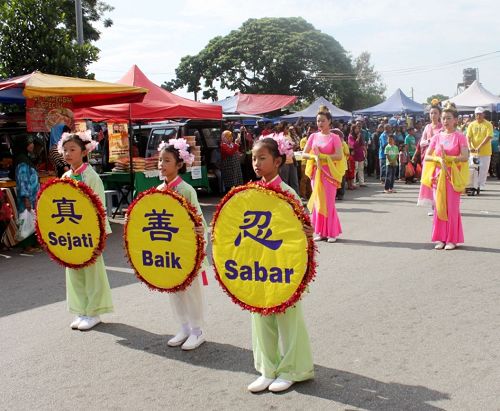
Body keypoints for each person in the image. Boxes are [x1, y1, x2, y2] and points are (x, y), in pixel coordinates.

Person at [247, 136, 314, 393]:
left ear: (278, 161)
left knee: (287, 317)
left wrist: (306, 232)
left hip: (283, 267)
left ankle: (293, 369)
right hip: (258, 266)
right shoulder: (250, 192)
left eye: (262, 158)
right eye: (254, 158)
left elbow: (303, 228)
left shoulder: (288, 193)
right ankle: (267, 368)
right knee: (261, 315)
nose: (257, 163)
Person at [156, 139, 207, 350]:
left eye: (167, 160)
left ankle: (197, 330)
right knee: (174, 289)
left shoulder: (186, 190)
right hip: (169, 248)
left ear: (179, 165)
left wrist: (198, 232)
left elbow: (199, 221)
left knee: (190, 289)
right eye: (160, 160)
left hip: (186, 249)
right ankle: (183, 326)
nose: (161, 164)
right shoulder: (159, 190)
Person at [59, 132, 114, 330]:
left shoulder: (91, 177)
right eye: (65, 150)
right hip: (71, 233)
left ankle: (94, 312)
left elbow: (100, 209)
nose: (68, 153)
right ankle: (81, 309)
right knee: (74, 271)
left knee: (92, 272)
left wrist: (100, 237)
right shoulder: (65, 176)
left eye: (72, 149)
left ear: (84, 152)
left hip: (89, 233)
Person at [418, 102, 469, 250]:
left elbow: (465, 156)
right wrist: (439, 159)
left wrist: (450, 159)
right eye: (444, 118)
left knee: (452, 208)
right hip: (438, 176)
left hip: (453, 176)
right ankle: (440, 238)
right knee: (439, 207)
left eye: (448, 118)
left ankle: (452, 239)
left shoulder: (460, 137)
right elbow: (427, 156)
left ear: (455, 120)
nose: (445, 121)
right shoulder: (436, 137)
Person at [302, 106, 346, 243]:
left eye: (322, 120)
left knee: (328, 202)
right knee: (318, 201)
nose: (320, 123)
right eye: (318, 121)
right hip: (317, 173)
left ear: (329, 121)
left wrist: (323, 157)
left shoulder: (334, 137)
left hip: (329, 173)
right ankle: (321, 231)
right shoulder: (313, 136)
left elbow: (339, 155)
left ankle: (331, 232)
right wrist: (314, 158)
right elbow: (304, 153)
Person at [13, 135, 40, 252]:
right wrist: (26, 198)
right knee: (26, 219)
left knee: (31, 219)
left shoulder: (26, 158)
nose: (32, 145)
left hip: (32, 196)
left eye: (32, 142)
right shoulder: (22, 161)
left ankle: (34, 244)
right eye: (29, 143)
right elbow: (22, 180)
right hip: (27, 197)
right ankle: (27, 246)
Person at [466, 107, 493, 190]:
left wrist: (479, 146)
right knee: (473, 168)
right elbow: (468, 136)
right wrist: (470, 146)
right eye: (477, 114)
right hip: (474, 152)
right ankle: (472, 184)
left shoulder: (488, 124)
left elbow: (488, 136)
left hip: (485, 152)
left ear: (483, 114)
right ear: (475, 115)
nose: (479, 115)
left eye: (480, 114)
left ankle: (481, 185)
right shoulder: (471, 124)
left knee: (483, 170)